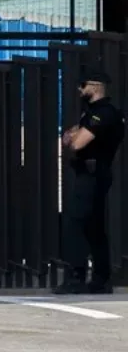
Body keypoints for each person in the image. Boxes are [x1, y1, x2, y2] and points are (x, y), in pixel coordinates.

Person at [57, 69, 125, 295]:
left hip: (93, 173)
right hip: (90, 173)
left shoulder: (103, 113)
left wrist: (75, 136)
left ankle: (76, 277)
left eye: (82, 84)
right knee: (92, 227)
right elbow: (67, 137)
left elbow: (76, 143)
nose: (79, 89)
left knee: (77, 223)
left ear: (95, 87)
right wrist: (74, 135)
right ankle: (100, 279)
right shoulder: (92, 113)